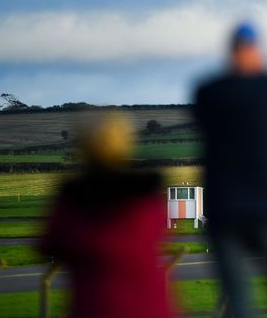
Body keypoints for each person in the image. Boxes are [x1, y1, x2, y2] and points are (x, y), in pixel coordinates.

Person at [193, 22, 267, 318]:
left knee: (236, 295)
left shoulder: (208, 91)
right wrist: (262, 71)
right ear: (255, 51)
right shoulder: (266, 90)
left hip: (224, 207)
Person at [39, 112, 174, 318]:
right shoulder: (147, 196)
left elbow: (50, 244)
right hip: (151, 308)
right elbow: (160, 230)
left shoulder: (73, 201)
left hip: (95, 306)